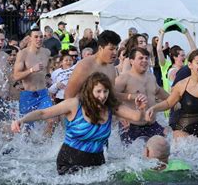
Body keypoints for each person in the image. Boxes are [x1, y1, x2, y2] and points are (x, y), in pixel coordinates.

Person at [11, 72, 148, 175]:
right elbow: (43, 113)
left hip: (97, 161)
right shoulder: (75, 104)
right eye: (98, 91)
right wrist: (21, 120)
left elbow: (136, 117)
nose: (103, 96)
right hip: (70, 161)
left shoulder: (110, 106)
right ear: (89, 92)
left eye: (105, 91)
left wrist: (141, 108)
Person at [146, 48, 198, 139]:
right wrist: (154, 108)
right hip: (184, 128)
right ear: (190, 65)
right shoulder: (181, 85)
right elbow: (168, 103)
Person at [114, 47, 169, 144]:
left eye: (146, 58)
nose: (144, 60)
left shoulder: (151, 76)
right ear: (131, 61)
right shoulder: (124, 78)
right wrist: (120, 116)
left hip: (152, 124)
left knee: (165, 148)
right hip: (132, 126)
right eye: (140, 58)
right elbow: (112, 97)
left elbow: (158, 90)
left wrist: (174, 100)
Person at [13, 28, 55, 133]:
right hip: (28, 94)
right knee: (26, 129)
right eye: (36, 37)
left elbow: (47, 68)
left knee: (51, 120)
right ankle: (28, 148)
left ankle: (45, 146)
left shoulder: (46, 52)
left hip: (43, 93)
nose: (39, 39)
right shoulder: (23, 54)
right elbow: (16, 76)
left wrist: (48, 77)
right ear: (30, 39)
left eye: (41, 37)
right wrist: (31, 70)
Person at [65, 30, 121, 99]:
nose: (115, 53)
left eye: (116, 49)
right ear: (100, 48)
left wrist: (131, 96)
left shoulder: (111, 68)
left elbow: (112, 95)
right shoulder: (85, 66)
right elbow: (68, 96)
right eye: (111, 49)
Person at [157, 26, 196, 93]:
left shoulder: (185, 64)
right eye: (182, 55)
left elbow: (194, 50)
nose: (184, 57)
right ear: (175, 57)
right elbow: (159, 50)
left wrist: (187, 33)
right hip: (169, 99)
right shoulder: (165, 65)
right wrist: (162, 34)